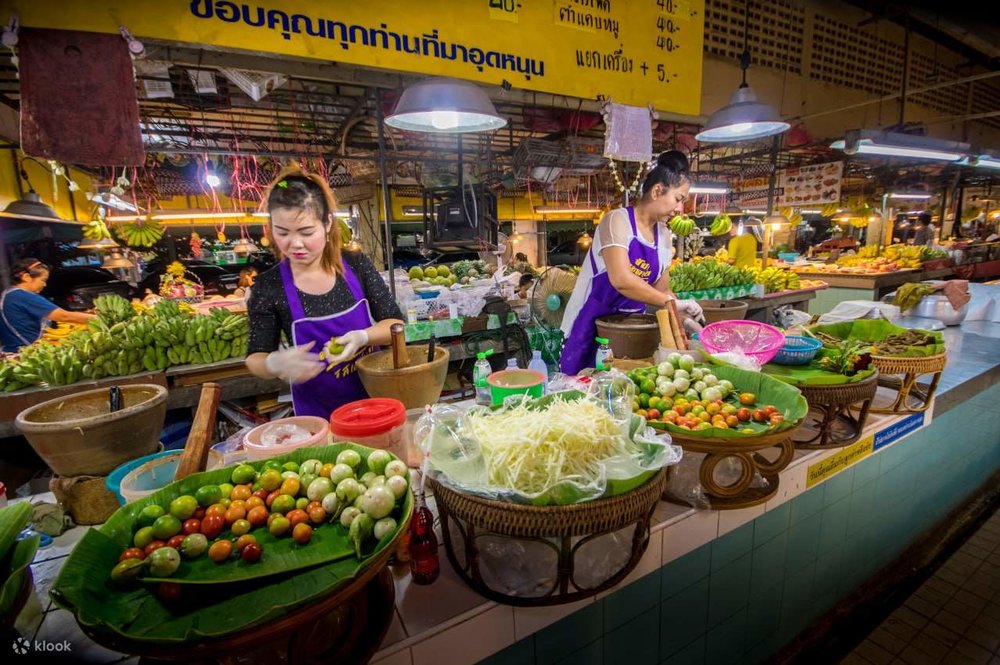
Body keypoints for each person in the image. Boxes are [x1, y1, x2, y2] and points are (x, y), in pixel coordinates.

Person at [245, 167, 404, 418]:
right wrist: (273, 363)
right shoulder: (269, 286)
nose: (295, 244)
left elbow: (395, 324)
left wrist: (362, 337)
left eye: (306, 232)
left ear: (328, 223)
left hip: (374, 401)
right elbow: (255, 356)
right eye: (282, 232)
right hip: (318, 415)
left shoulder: (355, 264)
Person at [559, 150, 703, 375]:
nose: (680, 209)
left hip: (632, 332)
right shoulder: (617, 221)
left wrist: (684, 318)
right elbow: (621, 280)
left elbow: (662, 292)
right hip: (589, 325)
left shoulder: (664, 237)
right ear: (657, 191)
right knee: (581, 389)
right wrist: (669, 301)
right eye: (678, 199)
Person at [0, 259, 95, 352]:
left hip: (13, 349)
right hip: (25, 352)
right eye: (43, 280)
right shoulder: (21, 296)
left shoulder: (10, 294)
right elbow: (64, 316)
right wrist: (100, 318)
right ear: (26, 277)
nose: (45, 284)